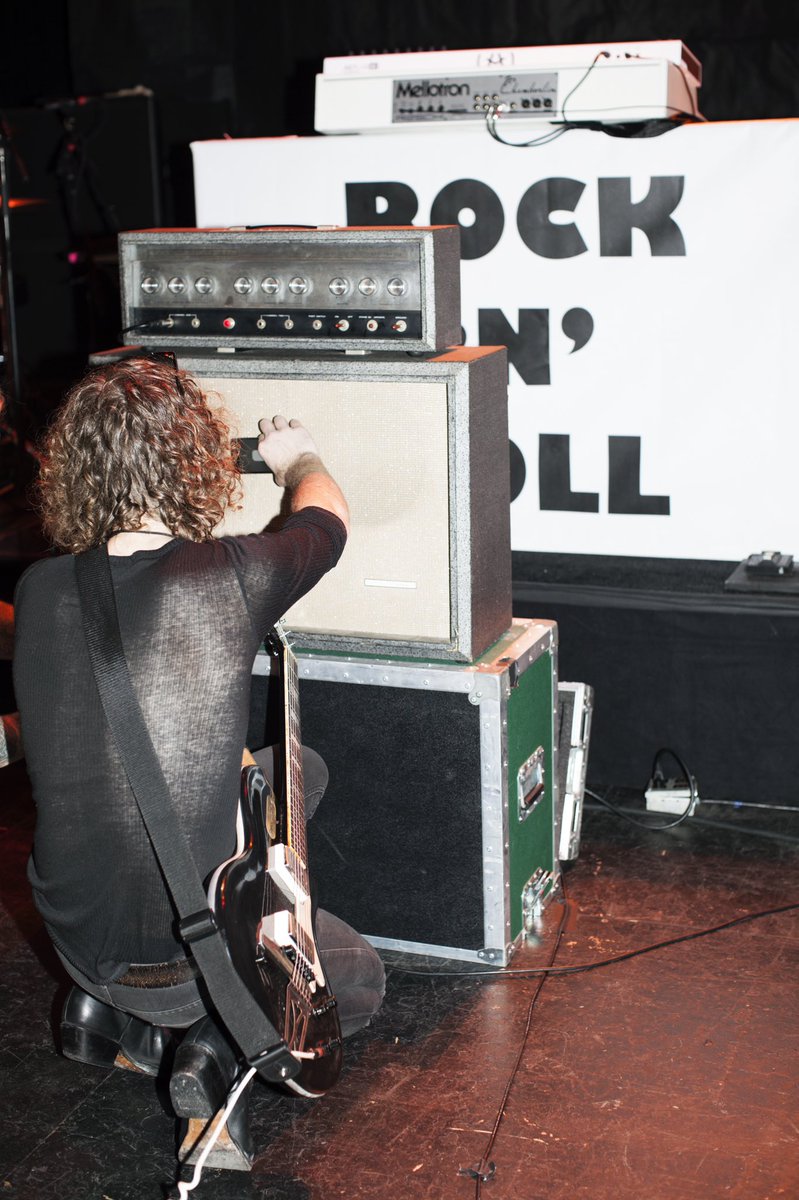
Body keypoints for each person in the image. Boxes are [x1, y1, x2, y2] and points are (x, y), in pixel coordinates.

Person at [12, 356, 385, 1171]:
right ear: (194, 463)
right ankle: (213, 1053)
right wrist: (299, 458)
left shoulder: (39, 589)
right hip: (188, 962)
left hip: (77, 939)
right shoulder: (230, 576)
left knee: (301, 771)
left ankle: (103, 1016)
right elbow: (326, 520)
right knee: (358, 979)